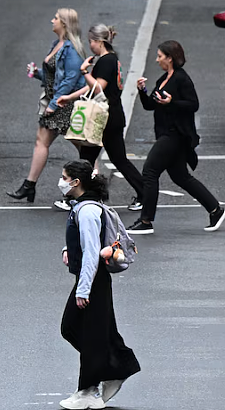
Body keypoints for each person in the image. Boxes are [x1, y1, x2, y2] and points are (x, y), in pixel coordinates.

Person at [58, 160, 140, 410]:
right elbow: (85, 242)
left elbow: (92, 251)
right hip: (93, 277)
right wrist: (68, 248)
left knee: (81, 330)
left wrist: (84, 289)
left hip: (93, 279)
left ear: (76, 182)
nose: (61, 182)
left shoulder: (87, 211)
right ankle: (116, 367)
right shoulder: (83, 207)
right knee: (85, 331)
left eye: (64, 177)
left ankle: (89, 390)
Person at [125, 41, 225, 234]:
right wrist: (142, 91)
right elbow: (150, 105)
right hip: (166, 133)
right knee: (181, 177)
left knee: (150, 171)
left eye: (160, 56)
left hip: (176, 134)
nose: (157, 60)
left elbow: (193, 104)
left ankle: (145, 221)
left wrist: (172, 102)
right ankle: (215, 209)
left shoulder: (181, 79)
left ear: (170, 58)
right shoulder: (164, 78)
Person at [57, 25, 145, 212]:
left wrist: (84, 72)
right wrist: (70, 97)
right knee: (98, 159)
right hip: (111, 116)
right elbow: (94, 87)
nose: (90, 45)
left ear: (99, 41)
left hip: (104, 118)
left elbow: (98, 88)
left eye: (91, 41)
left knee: (89, 160)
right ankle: (82, 196)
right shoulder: (112, 60)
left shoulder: (106, 61)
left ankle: (79, 197)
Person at [7, 8, 86, 209]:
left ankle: (93, 186)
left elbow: (70, 79)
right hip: (55, 101)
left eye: (56, 18)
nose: (52, 20)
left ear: (65, 24)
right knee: (41, 142)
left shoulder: (72, 49)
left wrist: (53, 104)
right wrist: (37, 73)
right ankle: (29, 185)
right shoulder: (57, 44)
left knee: (84, 148)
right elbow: (54, 75)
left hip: (65, 105)